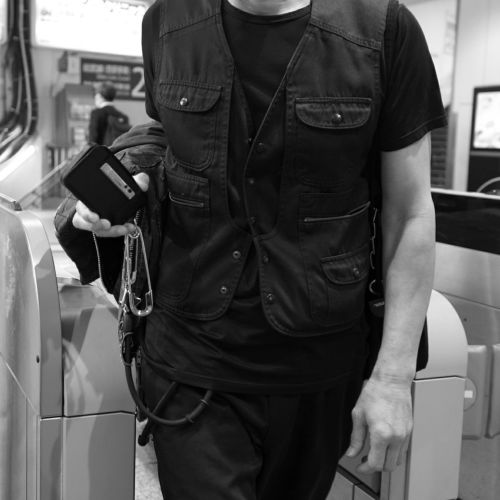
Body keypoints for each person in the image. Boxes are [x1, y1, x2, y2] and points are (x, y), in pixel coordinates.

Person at [64, 0, 447, 498]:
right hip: (190, 357)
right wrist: (137, 178)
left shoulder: (385, 30)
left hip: (320, 367)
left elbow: (410, 212)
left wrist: (393, 378)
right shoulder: (165, 23)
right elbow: (172, 142)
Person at [88, 81, 130, 145]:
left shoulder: (96, 114)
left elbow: (93, 139)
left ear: (99, 96)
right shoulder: (123, 117)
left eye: (95, 95)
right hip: (118, 151)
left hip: (102, 151)